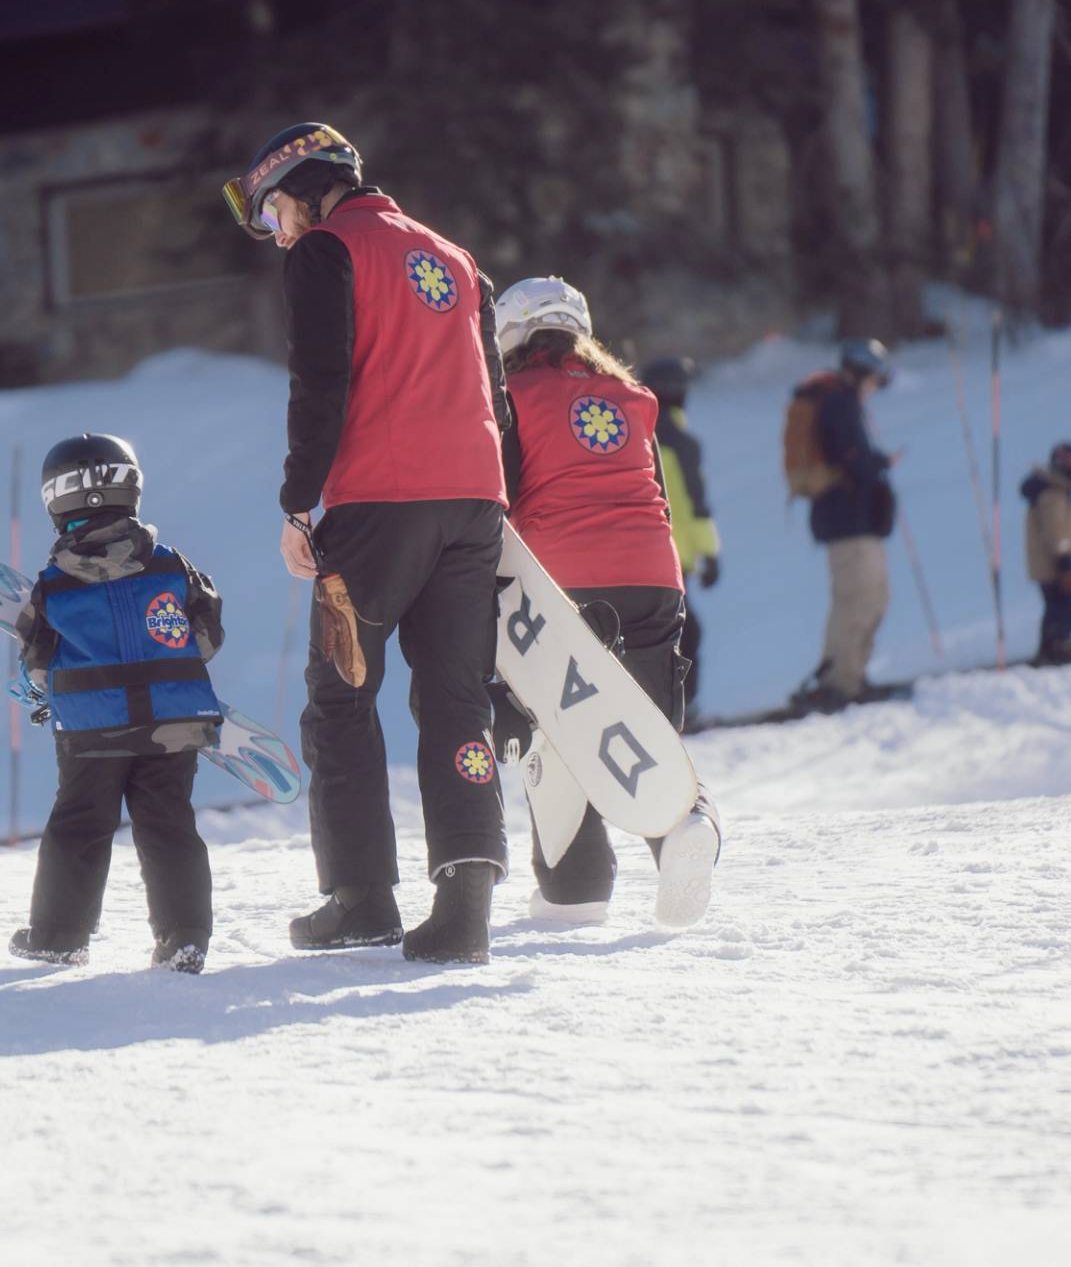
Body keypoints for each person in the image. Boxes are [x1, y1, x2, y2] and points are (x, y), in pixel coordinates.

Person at [223, 122, 512, 963]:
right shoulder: (458, 261)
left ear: (307, 186)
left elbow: (320, 382)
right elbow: (496, 395)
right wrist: (502, 501)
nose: (278, 230)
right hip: (472, 505)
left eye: (275, 210)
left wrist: (296, 501)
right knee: (459, 699)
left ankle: (361, 900)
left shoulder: (325, 251)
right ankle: (465, 910)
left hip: (378, 506)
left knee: (342, 695)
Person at [494, 277, 721, 928]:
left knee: (559, 726)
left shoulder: (512, 396)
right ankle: (687, 824)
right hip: (653, 577)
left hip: (562, 584)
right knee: (645, 724)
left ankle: (574, 883)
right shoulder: (634, 397)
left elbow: (497, 504)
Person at [9, 434, 224, 974]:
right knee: (169, 824)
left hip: (91, 729)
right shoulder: (174, 566)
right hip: (173, 723)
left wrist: (46, 683)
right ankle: (184, 938)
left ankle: (59, 936)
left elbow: (38, 662)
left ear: (55, 501)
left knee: (80, 824)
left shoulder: (53, 586)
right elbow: (207, 637)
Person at [791, 338, 897, 709]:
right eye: (876, 380)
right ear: (863, 373)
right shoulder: (840, 402)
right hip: (847, 521)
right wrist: (877, 466)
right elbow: (850, 458)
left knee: (868, 598)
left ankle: (847, 677)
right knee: (861, 600)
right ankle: (842, 683)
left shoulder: (841, 402)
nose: (876, 388)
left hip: (851, 520)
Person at [643, 356, 720, 717]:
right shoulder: (681, 442)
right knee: (687, 635)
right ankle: (680, 710)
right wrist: (711, 552)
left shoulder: (638, 434)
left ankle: (664, 708)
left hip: (642, 553)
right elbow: (696, 504)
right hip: (673, 559)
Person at [1023, 440, 1071, 665]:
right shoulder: (1053, 495)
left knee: (1057, 606)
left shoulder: (1057, 492)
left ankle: (1050, 648)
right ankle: (1055, 647)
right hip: (1053, 566)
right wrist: (1065, 563)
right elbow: (1056, 532)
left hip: (1050, 565)